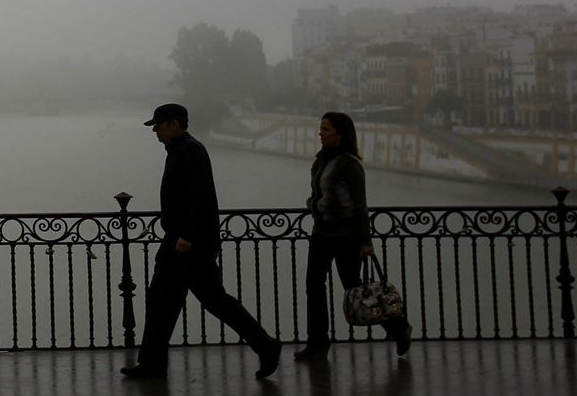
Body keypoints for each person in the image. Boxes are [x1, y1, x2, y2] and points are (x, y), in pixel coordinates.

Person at [121, 102, 283, 381]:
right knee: (164, 300)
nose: (155, 131)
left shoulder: (190, 150)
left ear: (174, 124)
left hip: (188, 244)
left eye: (158, 125)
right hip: (180, 241)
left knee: (209, 300)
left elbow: (201, 196)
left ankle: (266, 344)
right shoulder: (180, 150)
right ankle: (151, 363)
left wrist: (187, 236)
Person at [294, 111, 412, 358]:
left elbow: (361, 204)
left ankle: (399, 328)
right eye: (321, 129)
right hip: (321, 233)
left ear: (339, 134)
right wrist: (315, 206)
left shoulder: (349, 165)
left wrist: (366, 241)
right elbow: (318, 195)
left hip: (345, 235)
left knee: (354, 287)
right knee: (313, 287)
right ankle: (317, 343)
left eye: (325, 129)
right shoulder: (321, 161)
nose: (320, 133)